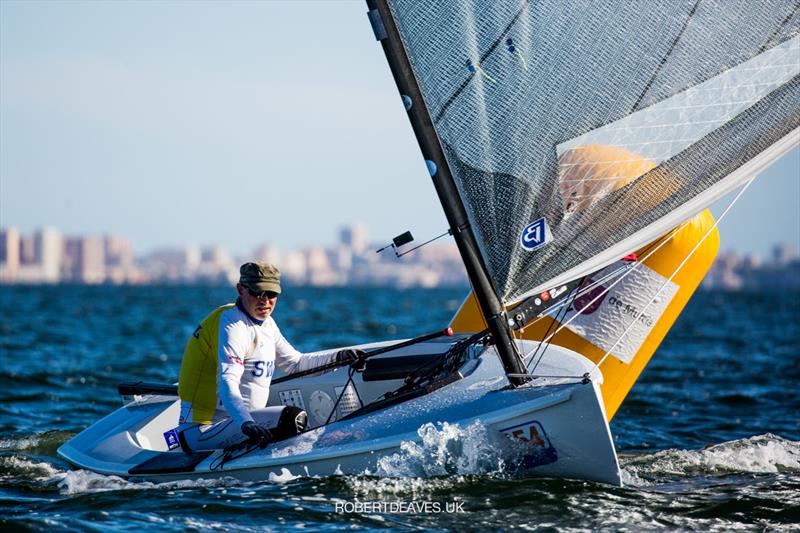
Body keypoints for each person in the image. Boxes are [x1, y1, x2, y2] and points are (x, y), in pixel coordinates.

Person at [176, 261, 363, 451]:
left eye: (272, 294)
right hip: (203, 431)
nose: (265, 300)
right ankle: (320, 447)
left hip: (243, 425)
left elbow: (295, 364)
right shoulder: (232, 326)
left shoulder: (267, 324)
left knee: (289, 419)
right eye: (258, 293)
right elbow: (227, 383)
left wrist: (340, 358)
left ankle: (321, 444)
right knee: (291, 418)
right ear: (241, 289)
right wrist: (246, 423)